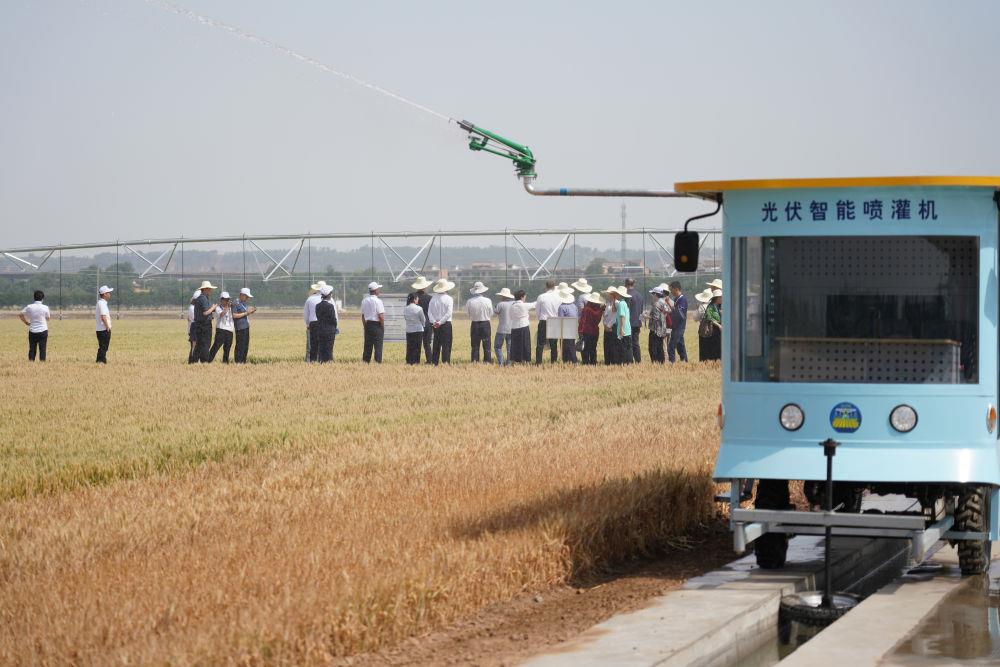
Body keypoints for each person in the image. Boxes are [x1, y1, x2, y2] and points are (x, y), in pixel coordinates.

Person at [428, 278, 455, 364]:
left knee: (436, 344)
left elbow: (429, 312)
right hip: (446, 324)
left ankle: (435, 362)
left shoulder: (433, 299)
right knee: (446, 344)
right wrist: (440, 322)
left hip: (435, 325)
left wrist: (434, 322)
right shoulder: (449, 298)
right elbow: (449, 313)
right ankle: (445, 362)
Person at [20, 290, 51, 362]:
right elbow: (48, 318)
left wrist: (26, 322)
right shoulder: (45, 307)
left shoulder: (29, 307)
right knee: (42, 349)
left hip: (32, 330)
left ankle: (31, 363)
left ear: (34, 298)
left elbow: (20, 314)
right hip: (43, 330)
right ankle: (42, 363)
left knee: (32, 349)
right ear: (42, 298)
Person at [534, 281, 561, 364]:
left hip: (544, 321)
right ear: (554, 287)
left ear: (546, 286)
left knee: (540, 343)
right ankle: (553, 362)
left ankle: (538, 362)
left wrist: (540, 319)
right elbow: (559, 311)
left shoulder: (541, 296)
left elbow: (537, 311)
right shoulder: (558, 297)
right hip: (554, 321)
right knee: (553, 344)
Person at [466, 281, 493, 363]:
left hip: (474, 324)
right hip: (485, 324)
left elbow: (468, 314)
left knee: (475, 345)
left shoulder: (469, 301)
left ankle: (475, 361)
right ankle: (487, 362)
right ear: (483, 290)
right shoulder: (488, 300)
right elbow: (491, 313)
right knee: (487, 344)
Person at [191, 280, 217, 363]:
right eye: (209, 289)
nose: (211, 290)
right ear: (205, 289)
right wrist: (213, 308)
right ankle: (204, 361)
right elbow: (205, 312)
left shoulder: (199, 298)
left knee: (200, 345)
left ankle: (194, 362)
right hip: (204, 325)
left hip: (199, 325)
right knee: (205, 344)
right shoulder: (203, 299)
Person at [361, 281, 385, 363]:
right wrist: (382, 326)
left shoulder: (364, 301)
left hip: (368, 324)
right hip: (377, 325)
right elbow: (381, 316)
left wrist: (365, 326)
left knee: (367, 346)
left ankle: (365, 363)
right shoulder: (378, 301)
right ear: (375, 290)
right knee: (378, 347)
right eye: (378, 289)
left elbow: (363, 316)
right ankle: (377, 363)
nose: (379, 290)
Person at [412, 276, 435, 364]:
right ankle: (429, 360)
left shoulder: (413, 297)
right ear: (425, 286)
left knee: (416, 343)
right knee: (427, 344)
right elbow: (432, 312)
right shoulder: (430, 298)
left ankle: (416, 361)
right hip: (428, 323)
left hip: (416, 323)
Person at [207, 292, 235, 363]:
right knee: (216, 347)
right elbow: (222, 314)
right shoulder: (218, 307)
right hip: (221, 330)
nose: (227, 301)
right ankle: (208, 361)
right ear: (221, 300)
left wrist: (232, 307)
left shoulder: (232, 308)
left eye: (228, 299)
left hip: (230, 330)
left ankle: (225, 363)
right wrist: (228, 307)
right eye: (225, 299)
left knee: (227, 349)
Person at [509, 289, 534, 363]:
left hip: (514, 327)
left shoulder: (512, 306)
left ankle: (515, 361)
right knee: (525, 345)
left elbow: (510, 317)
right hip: (524, 327)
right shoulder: (524, 305)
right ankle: (525, 361)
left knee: (515, 345)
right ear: (522, 297)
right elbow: (534, 304)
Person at [578, 291, 603, 365]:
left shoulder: (586, 309)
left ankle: (585, 363)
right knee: (593, 348)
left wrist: (580, 331)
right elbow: (598, 320)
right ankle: (593, 362)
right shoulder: (599, 310)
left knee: (585, 349)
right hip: (595, 332)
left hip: (586, 331)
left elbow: (582, 321)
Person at [232, 288, 256, 364]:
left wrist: (250, 312)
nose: (248, 298)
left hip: (246, 326)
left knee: (245, 345)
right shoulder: (235, 303)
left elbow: (244, 313)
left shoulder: (244, 303)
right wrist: (246, 313)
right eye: (247, 296)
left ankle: (243, 361)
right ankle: (238, 362)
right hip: (240, 328)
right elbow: (234, 315)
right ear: (242, 295)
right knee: (240, 346)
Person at [698, 288, 723, 362]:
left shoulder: (719, 306)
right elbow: (709, 317)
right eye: (720, 297)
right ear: (716, 298)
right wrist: (719, 325)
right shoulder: (711, 306)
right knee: (714, 348)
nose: (722, 299)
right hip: (713, 331)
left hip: (718, 331)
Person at [315, 286, 338, 363]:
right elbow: (333, 319)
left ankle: (321, 362)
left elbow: (318, 317)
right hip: (329, 330)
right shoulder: (330, 306)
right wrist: (335, 327)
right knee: (329, 348)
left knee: (321, 347)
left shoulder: (317, 306)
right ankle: (328, 362)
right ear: (329, 295)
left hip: (320, 329)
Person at [667, 281, 689, 363]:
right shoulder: (676, 299)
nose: (671, 292)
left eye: (671, 290)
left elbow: (680, 314)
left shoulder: (682, 299)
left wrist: (670, 305)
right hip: (675, 326)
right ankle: (685, 362)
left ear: (676, 289)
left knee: (671, 347)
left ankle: (672, 364)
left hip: (679, 327)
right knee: (680, 346)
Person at [304, 281, 325, 363]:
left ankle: (311, 362)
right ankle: (323, 361)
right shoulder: (329, 299)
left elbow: (306, 314)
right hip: (324, 324)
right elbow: (334, 314)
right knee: (324, 344)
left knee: (312, 345)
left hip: (312, 323)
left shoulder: (310, 299)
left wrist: (307, 324)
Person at [647, 285, 669, 364]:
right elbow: (667, 311)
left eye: (652, 293)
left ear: (656, 294)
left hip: (655, 330)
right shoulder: (663, 302)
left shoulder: (656, 304)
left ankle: (655, 363)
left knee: (653, 348)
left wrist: (646, 316)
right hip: (662, 329)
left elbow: (655, 318)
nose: (652, 295)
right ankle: (661, 363)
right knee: (660, 347)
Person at [493, 287, 515, 366]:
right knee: (510, 348)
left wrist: (495, 307)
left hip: (501, 329)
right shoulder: (514, 304)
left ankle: (501, 363)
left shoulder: (500, 304)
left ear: (503, 296)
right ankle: (509, 364)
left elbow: (494, 313)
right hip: (511, 329)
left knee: (497, 347)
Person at [624, 278, 644, 364]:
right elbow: (641, 311)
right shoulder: (640, 295)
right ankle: (638, 360)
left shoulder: (627, 295)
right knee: (636, 343)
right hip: (637, 322)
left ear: (625, 284)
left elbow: (626, 310)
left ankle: (629, 361)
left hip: (628, 322)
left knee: (628, 343)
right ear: (634, 284)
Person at [556, 288, 578, 363]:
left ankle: (571, 360)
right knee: (571, 344)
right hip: (574, 327)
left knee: (566, 346)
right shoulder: (574, 306)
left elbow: (560, 320)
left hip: (566, 328)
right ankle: (571, 360)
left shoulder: (562, 307)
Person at [403, 292, 426, 365]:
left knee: (409, 347)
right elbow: (423, 320)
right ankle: (416, 362)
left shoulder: (406, 308)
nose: (418, 300)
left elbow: (405, 318)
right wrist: (423, 325)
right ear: (414, 299)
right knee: (417, 347)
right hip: (418, 330)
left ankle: (409, 362)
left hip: (409, 330)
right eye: (417, 298)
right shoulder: (419, 308)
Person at [614, 286, 632, 364]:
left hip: (623, 330)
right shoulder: (625, 303)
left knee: (622, 349)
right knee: (627, 348)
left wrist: (621, 328)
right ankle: (629, 363)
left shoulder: (621, 304)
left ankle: (624, 363)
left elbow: (622, 316)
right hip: (627, 330)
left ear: (619, 294)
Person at [95, 285, 113, 363]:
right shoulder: (102, 304)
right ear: (105, 294)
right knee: (104, 347)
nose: (109, 294)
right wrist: (107, 327)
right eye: (108, 292)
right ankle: (101, 361)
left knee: (102, 346)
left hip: (100, 329)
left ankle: (99, 361)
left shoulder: (101, 303)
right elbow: (103, 316)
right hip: (103, 329)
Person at [601, 285, 619, 365]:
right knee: (607, 346)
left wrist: (609, 325)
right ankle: (607, 362)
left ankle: (614, 362)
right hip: (607, 327)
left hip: (613, 327)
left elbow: (615, 316)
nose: (608, 295)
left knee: (613, 347)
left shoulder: (617, 303)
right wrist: (605, 324)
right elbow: (605, 315)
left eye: (609, 293)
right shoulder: (607, 303)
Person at [187, 289, 200, 363]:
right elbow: (195, 319)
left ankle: (193, 360)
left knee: (195, 346)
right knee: (194, 346)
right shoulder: (192, 308)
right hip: (194, 328)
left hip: (193, 328)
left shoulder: (193, 307)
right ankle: (191, 361)